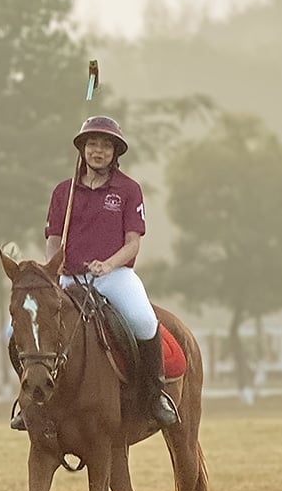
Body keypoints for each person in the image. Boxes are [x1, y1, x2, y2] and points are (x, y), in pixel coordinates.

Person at [10, 115, 179, 430]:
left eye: (105, 145)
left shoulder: (128, 190)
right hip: (69, 276)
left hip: (113, 276)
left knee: (143, 320)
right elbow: (53, 241)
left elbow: (133, 243)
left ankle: (154, 396)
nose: (98, 151)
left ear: (115, 152)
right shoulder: (64, 191)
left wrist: (109, 264)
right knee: (12, 332)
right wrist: (52, 269)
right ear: (82, 149)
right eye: (92, 144)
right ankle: (29, 400)